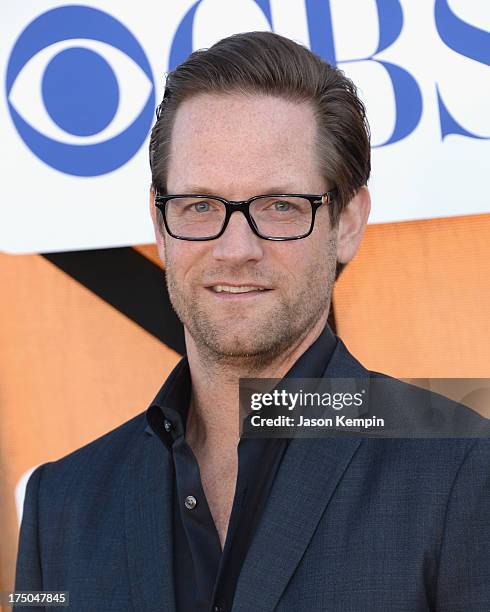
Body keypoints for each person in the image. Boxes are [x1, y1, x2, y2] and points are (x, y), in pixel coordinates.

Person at [15, 31, 490, 611]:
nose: (234, 248)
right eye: (201, 206)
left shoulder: (464, 467)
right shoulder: (58, 506)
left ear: (347, 223)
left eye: (279, 206)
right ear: (161, 226)